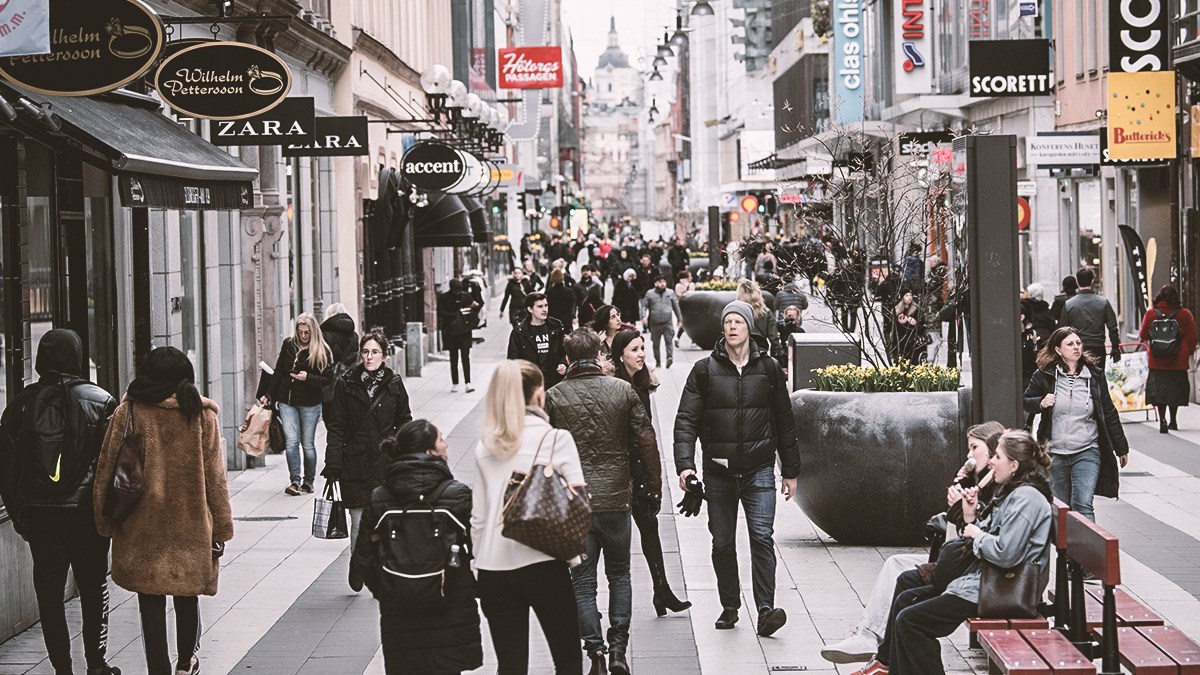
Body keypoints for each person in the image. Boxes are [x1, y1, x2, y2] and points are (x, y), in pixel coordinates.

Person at [855, 430, 1055, 675]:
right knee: (906, 601)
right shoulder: (1014, 492)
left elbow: (1005, 554)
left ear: (1014, 465)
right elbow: (995, 539)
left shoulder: (1026, 498)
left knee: (911, 622)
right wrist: (970, 515)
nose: (991, 462)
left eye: (998, 457)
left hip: (1001, 591)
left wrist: (975, 534)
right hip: (987, 585)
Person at [93, 346, 233, 675]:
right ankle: (186, 663)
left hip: (142, 528)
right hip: (191, 526)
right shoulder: (201, 415)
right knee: (187, 595)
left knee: (150, 600)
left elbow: (106, 469)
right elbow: (216, 479)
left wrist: (103, 520)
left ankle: (158, 668)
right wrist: (222, 527)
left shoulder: (129, 411)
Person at [820, 421, 1004, 664]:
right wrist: (962, 499)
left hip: (975, 577)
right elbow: (959, 540)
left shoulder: (1002, 492)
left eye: (974, 448)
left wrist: (964, 515)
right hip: (964, 567)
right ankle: (874, 644)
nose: (969, 455)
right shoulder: (978, 484)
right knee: (899, 574)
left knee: (908, 604)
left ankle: (878, 651)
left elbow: (979, 543)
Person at [674, 301, 800, 636]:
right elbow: (686, 421)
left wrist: (790, 470)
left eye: (738, 322)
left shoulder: (769, 368)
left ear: (749, 327)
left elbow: (785, 422)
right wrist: (685, 467)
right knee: (723, 544)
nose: (732, 327)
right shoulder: (704, 370)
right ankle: (730, 606)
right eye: (727, 322)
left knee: (762, 538)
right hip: (718, 472)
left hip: (759, 470)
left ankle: (765, 610)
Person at [0, 329, 121, 675]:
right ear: (78, 356)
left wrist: (19, 514)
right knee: (94, 586)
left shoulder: (20, 405)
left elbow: (7, 468)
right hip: (86, 514)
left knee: (49, 595)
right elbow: (112, 466)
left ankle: (62, 668)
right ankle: (96, 664)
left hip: (39, 515)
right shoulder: (101, 401)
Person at [545, 329, 660, 675]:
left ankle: (594, 650)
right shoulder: (623, 391)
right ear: (599, 355)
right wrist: (653, 489)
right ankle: (619, 649)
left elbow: (542, 450)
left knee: (582, 581)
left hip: (574, 501)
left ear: (566, 358)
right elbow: (646, 441)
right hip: (614, 498)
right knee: (620, 574)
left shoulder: (554, 396)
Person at [471, 360, 585, 675]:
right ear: (538, 394)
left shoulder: (486, 444)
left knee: (510, 665)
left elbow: (478, 518)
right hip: (544, 561)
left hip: (494, 569)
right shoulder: (555, 439)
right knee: (568, 661)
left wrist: (476, 566)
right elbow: (580, 499)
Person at [351, 420, 482, 674]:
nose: (447, 444)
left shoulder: (380, 497)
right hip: (450, 604)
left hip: (399, 612)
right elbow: (479, 546)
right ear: (431, 451)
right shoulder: (457, 495)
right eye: (441, 439)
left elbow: (363, 558)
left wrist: (389, 589)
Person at [610, 329, 691, 617]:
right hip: (618, 473)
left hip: (640, 470)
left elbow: (646, 433)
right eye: (634, 349)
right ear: (620, 354)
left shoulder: (642, 386)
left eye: (643, 348)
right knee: (615, 537)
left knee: (649, 528)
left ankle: (662, 590)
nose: (641, 353)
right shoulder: (614, 386)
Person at [324, 330, 414, 590]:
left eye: (375, 352)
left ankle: (379, 564)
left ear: (384, 355)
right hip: (355, 462)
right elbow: (337, 426)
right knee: (358, 519)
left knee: (384, 517)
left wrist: (403, 452)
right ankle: (358, 564)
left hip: (385, 462)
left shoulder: (394, 384)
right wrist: (333, 463)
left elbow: (404, 421)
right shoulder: (346, 383)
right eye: (365, 352)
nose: (369, 356)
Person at [1023, 327, 1129, 522]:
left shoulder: (1094, 377)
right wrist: (1040, 402)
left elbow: (1109, 412)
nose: (1076, 348)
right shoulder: (1045, 375)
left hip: (1087, 450)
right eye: (1070, 344)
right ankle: (1066, 552)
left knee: (1083, 503)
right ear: (1058, 350)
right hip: (1055, 453)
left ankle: (1089, 552)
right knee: (1061, 507)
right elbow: (1025, 400)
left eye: (1078, 343)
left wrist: (1121, 448)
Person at [260, 313, 333, 496]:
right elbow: (278, 371)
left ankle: (308, 481)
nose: (303, 336)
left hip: (310, 403)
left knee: (307, 444)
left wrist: (307, 377)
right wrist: (269, 394)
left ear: (313, 332)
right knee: (291, 442)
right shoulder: (289, 344)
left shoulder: (321, 349)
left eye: (307, 332)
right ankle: (294, 481)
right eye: (300, 332)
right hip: (287, 401)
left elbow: (327, 379)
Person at [1138, 284, 1198, 433]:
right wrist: (1186, 353)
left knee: (1159, 392)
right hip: (1177, 361)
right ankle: (1173, 420)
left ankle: (1162, 419)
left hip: (1157, 360)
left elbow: (1143, 334)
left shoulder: (1152, 313)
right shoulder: (1184, 314)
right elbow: (1193, 337)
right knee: (1175, 392)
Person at [1059, 267, 1121, 369]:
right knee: (1098, 378)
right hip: (1098, 347)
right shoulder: (1103, 303)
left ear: (1077, 282)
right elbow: (1112, 327)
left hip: (1076, 348)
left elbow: (1062, 330)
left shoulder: (1069, 304)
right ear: (1092, 281)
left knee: (1078, 379)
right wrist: (1115, 347)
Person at [507, 292, 567, 388]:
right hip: (531, 384)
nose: (544, 310)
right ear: (530, 309)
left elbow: (565, 351)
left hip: (555, 383)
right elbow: (513, 360)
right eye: (540, 306)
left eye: (546, 306)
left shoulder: (556, 326)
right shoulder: (519, 332)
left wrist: (563, 363)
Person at [438, 278, 480, 393]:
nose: (457, 292)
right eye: (456, 290)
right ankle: (455, 382)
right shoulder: (444, 298)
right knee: (454, 358)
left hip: (463, 331)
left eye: (459, 289)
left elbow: (476, 307)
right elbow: (440, 313)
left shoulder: (465, 296)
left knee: (465, 357)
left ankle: (467, 382)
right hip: (453, 331)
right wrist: (455, 315)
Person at [320, 303, 360, 417]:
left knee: (331, 420)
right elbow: (354, 359)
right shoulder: (354, 335)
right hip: (349, 383)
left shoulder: (323, 336)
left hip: (329, 386)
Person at [641, 275, 683, 369]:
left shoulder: (670, 293)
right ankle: (658, 361)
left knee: (669, 341)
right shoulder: (650, 293)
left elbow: (676, 307)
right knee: (656, 343)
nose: (662, 284)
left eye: (664, 281)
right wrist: (643, 316)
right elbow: (644, 306)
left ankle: (669, 357)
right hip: (655, 323)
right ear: (655, 283)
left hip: (667, 322)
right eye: (660, 282)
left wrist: (679, 319)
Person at [737, 279, 781, 361]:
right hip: (760, 349)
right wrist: (778, 356)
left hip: (740, 349)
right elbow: (773, 338)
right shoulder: (766, 312)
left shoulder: (736, 311)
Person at [893, 286, 924, 364]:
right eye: (906, 295)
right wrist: (899, 322)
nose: (909, 297)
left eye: (910, 295)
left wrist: (914, 323)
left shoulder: (916, 309)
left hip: (912, 340)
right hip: (899, 341)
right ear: (902, 297)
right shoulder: (897, 310)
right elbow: (892, 327)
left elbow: (922, 325)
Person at [673, 269, 694, 348]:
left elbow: (678, 296)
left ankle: (677, 337)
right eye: (690, 276)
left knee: (684, 321)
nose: (691, 278)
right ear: (686, 277)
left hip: (681, 306)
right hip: (690, 306)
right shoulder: (691, 285)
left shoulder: (677, 285)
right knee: (690, 322)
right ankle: (693, 339)